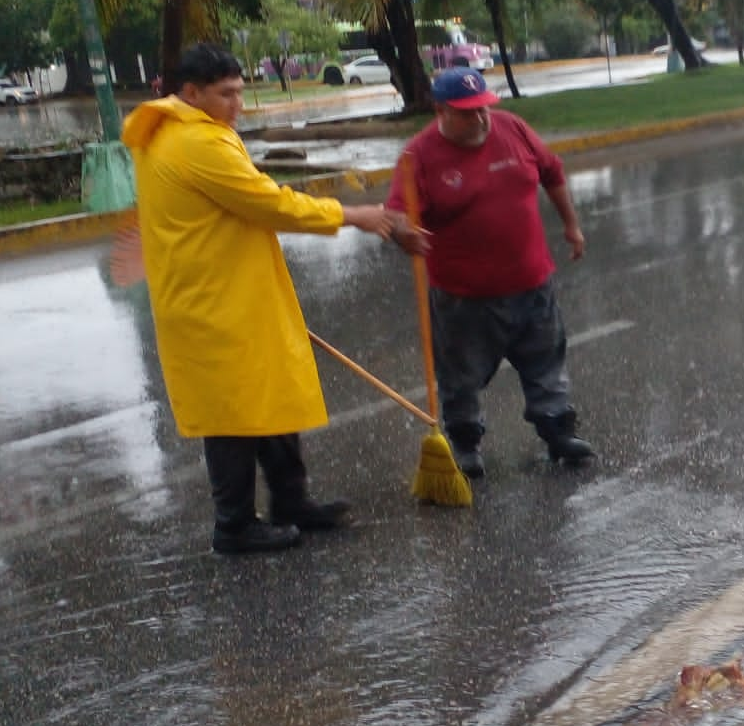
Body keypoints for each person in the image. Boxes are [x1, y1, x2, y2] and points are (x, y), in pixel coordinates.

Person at [122, 43, 418, 554]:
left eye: (240, 91)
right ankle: (233, 525)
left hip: (233, 289)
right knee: (233, 412)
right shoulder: (196, 143)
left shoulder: (183, 132)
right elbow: (268, 204)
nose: (237, 103)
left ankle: (291, 501)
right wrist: (355, 215)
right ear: (190, 93)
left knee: (267, 393)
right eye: (225, 94)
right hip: (212, 299)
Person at [385, 65, 592, 479]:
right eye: (467, 112)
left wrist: (571, 225)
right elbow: (397, 214)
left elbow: (551, 171)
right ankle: (465, 443)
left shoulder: (511, 128)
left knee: (545, 360)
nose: (480, 119)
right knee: (460, 376)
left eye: (483, 108)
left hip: (531, 281)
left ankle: (557, 431)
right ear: (441, 110)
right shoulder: (418, 157)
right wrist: (403, 233)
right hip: (464, 297)